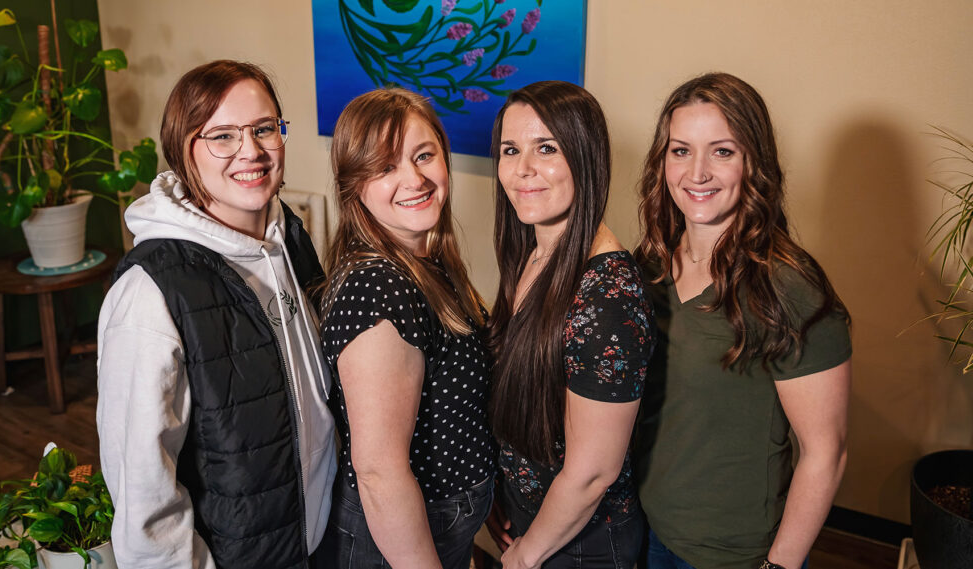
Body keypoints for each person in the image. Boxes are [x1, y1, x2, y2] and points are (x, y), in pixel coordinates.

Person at [96, 60, 336, 569]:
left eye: (264, 129)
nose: (250, 151)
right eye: (222, 136)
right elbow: (144, 498)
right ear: (184, 151)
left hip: (318, 541)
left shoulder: (288, 235)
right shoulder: (151, 292)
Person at [633, 72, 852, 569]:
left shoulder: (788, 288)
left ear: (755, 161)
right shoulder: (646, 265)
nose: (698, 172)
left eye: (723, 151)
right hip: (643, 528)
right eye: (681, 150)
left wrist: (780, 565)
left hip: (732, 556)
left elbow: (827, 452)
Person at [312, 88, 496, 569]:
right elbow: (378, 472)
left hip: (442, 524)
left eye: (423, 155)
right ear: (355, 185)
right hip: (400, 542)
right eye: (385, 166)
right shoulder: (378, 288)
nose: (413, 179)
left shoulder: (424, 260)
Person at [486, 80, 656, 569]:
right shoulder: (534, 253)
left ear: (587, 158)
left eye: (547, 148)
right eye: (511, 150)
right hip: (532, 522)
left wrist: (524, 557)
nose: (523, 170)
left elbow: (592, 473)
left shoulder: (608, 294)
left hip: (584, 544)